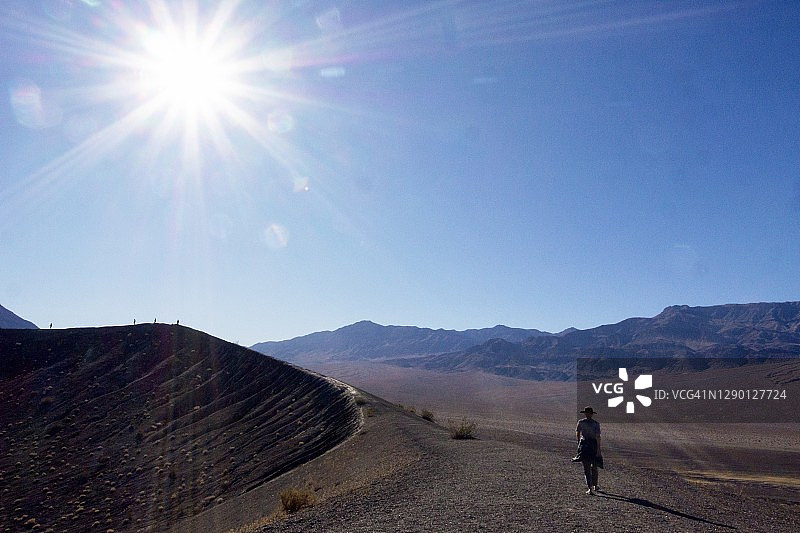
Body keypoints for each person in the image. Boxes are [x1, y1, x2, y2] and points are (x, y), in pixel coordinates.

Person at [575, 406, 602, 495]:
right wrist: (598, 449)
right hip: (592, 445)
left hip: (586, 445)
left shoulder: (581, 422)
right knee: (592, 467)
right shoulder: (595, 424)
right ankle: (593, 486)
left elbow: (578, 433)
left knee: (589, 467)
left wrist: (579, 443)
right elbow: (598, 437)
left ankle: (591, 487)